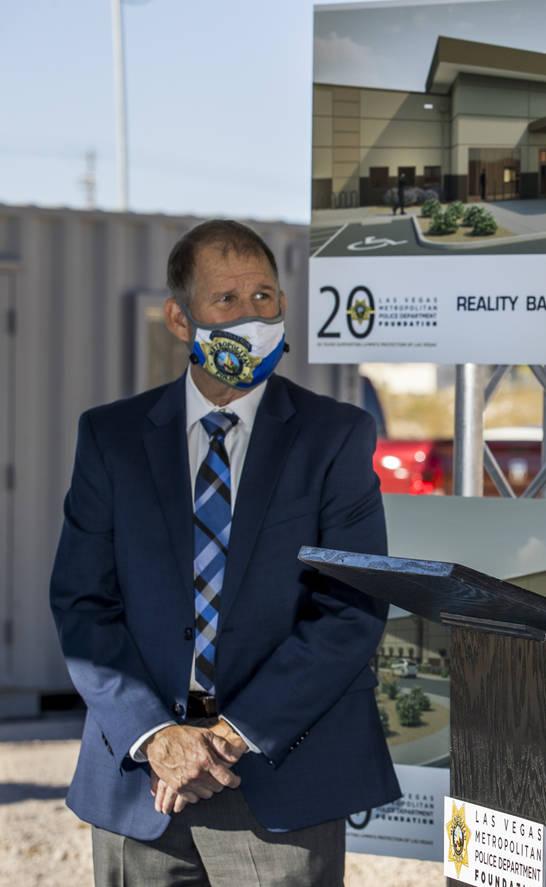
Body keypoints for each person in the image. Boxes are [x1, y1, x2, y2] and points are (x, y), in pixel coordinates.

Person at [50, 219, 400, 885]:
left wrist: (230, 734)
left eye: (265, 296)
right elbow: (82, 603)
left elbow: (351, 609)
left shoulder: (336, 436)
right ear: (180, 319)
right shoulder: (111, 438)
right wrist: (158, 735)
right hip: (141, 784)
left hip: (278, 773)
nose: (252, 314)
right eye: (227, 300)